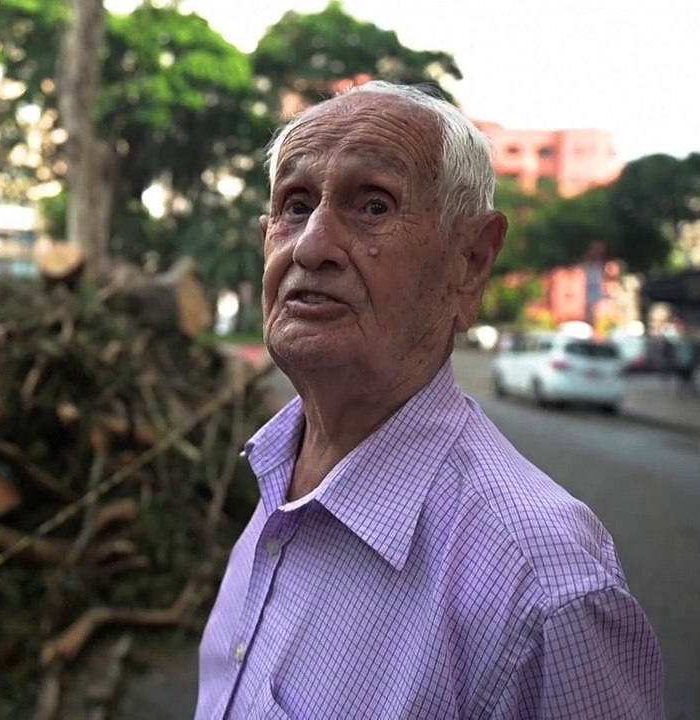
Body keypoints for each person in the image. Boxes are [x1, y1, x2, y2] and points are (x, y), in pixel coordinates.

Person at [196, 82, 664, 718]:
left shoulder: (544, 586)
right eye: (296, 205)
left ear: (469, 263)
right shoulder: (275, 473)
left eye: (374, 207)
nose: (311, 246)